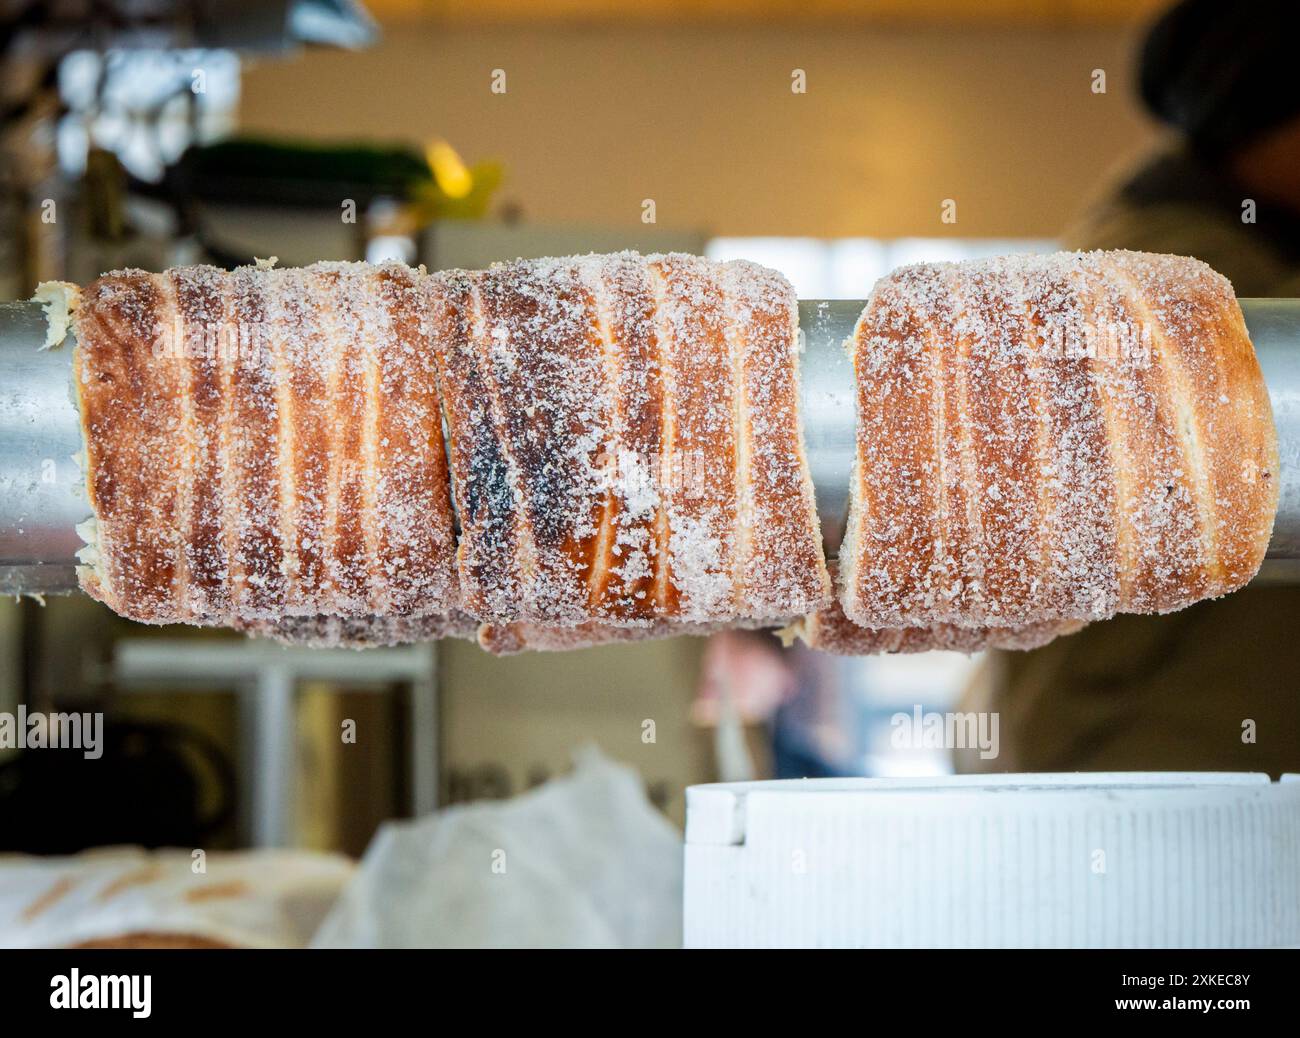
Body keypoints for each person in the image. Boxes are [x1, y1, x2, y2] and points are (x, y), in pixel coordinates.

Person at [955, 0, 1300, 776]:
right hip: (1149, 767)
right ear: (1263, 120)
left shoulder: (1206, 249)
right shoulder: (1179, 281)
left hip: (1140, 755)